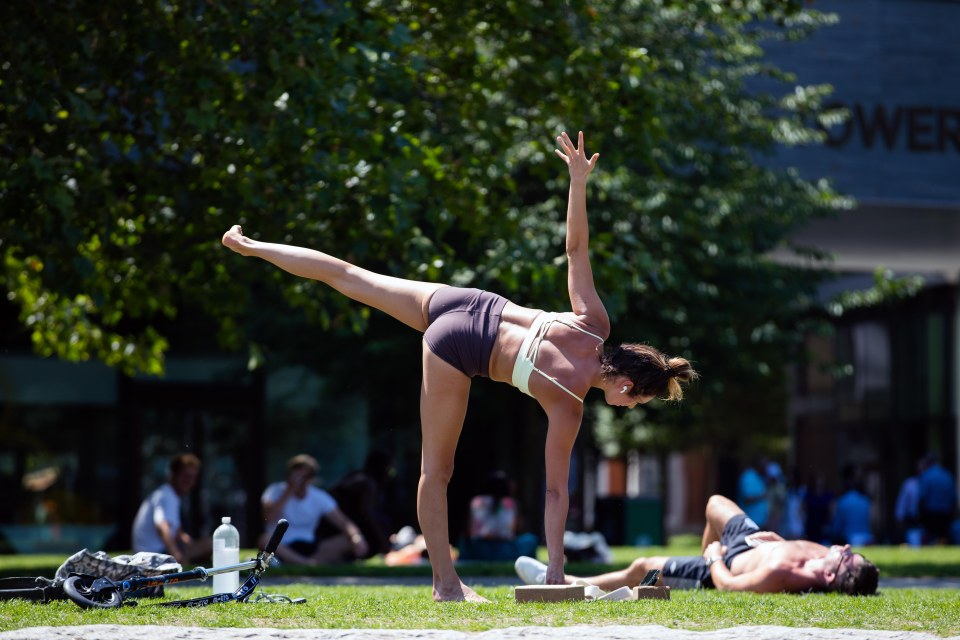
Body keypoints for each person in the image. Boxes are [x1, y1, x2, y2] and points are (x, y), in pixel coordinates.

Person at [222, 131, 697, 601]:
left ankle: (250, 246)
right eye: (638, 401)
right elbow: (555, 494)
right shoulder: (569, 403)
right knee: (437, 471)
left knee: (349, 276)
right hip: (461, 347)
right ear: (628, 383)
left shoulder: (595, 324)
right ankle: (446, 585)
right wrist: (556, 565)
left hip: (468, 302)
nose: (630, 409)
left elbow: (576, 250)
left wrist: (577, 181)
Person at [515, 494, 879, 595]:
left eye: (847, 556)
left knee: (643, 567)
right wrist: (778, 541)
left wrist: (715, 558)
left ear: (832, 577)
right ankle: (694, 558)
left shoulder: (783, 574)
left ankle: (569, 582)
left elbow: (731, 586)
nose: (844, 547)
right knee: (715, 504)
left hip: (721, 566)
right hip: (749, 542)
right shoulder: (823, 556)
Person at [261, 453, 369, 565]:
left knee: (346, 541)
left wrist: (356, 537)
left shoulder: (319, 496)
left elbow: (344, 523)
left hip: (309, 546)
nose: (301, 481)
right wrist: (289, 491)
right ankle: (307, 563)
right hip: (281, 546)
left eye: (305, 477)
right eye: (298, 475)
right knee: (264, 540)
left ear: (312, 478)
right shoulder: (274, 491)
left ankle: (307, 562)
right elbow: (269, 517)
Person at [131, 452, 212, 565]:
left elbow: (177, 531)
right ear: (174, 474)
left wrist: (188, 542)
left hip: (151, 553)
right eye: (185, 476)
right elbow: (162, 527)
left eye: (193, 477)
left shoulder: (169, 494)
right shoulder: (166, 496)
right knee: (211, 544)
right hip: (153, 555)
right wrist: (177, 555)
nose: (189, 481)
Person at [326, 448, 395, 558]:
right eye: (388, 468)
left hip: (343, 522)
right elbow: (368, 513)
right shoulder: (366, 483)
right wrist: (384, 544)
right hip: (337, 526)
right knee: (382, 522)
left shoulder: (358, 477)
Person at [459, 470, 538, 561]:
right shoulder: (511, 503)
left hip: (478, 548)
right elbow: (517, 528)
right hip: (504, 550)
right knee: (531, 539)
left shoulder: (476, 501)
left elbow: (468, 529)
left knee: (463, 542)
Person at [917, 452, 958, 544]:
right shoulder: (947, 475)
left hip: (931, 513)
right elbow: (953, 497)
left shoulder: (926, 476)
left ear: (928, 463)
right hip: (945, 513)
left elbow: (921, 498)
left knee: (931, 537)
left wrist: (919, 515)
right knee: (943, 537)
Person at [830, 472, 874, 546]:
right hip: (867, 538)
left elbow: (836, 526)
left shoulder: (842, 501)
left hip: (849, 539)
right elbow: (872, 521)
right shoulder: (866, 501)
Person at [736, 459, 768, 529]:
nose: (766, 468)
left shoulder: (759, 476)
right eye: (764, 465)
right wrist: (762, 496)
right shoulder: (748, 477)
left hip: (760, 522)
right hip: (750, 522)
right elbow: (747, 499)